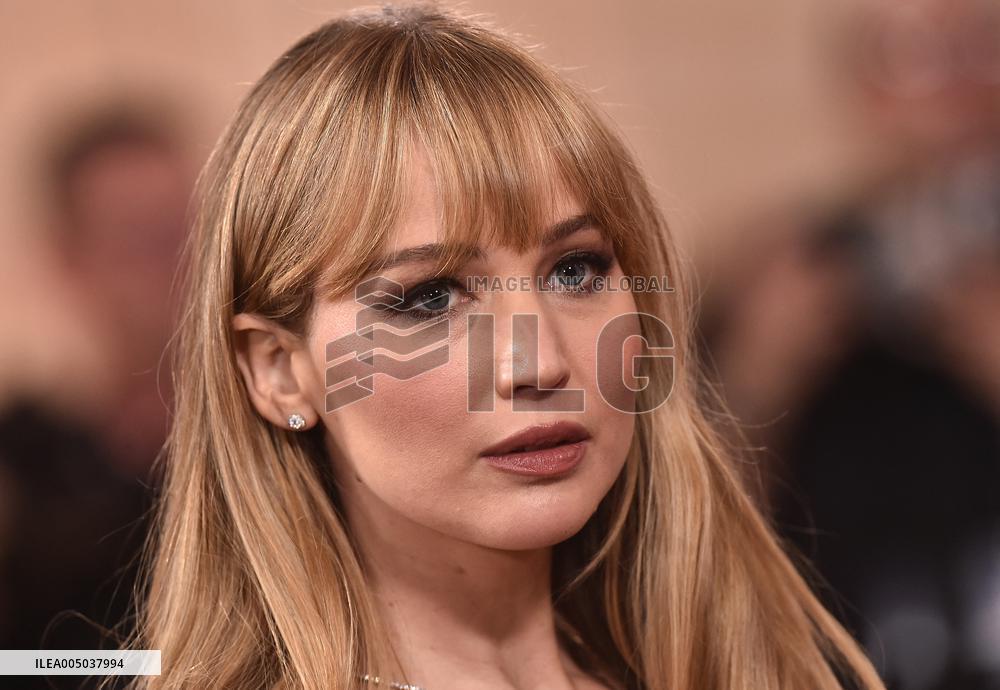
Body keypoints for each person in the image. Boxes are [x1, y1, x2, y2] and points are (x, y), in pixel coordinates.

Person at [118, 4, 887, 689]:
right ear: (281, 372)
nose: (541, 362)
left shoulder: (756, 667)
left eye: (576, 270)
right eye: (430, 297)